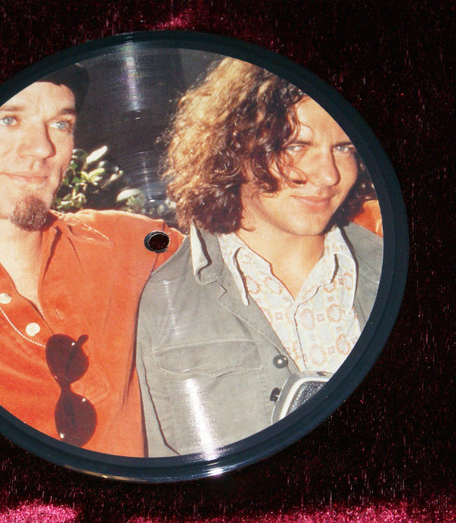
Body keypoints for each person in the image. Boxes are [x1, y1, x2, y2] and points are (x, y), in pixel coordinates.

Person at [0, 67, 181, 457]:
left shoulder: (125, 243)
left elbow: (224, 252)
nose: (42, 149)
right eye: (8, 120)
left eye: (61, 124)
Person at [136, 58, 383, 457]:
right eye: (296, 144)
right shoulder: (160, 302)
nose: (328, 175)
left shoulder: (393, 268)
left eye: (344, 148)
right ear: (234, 146)